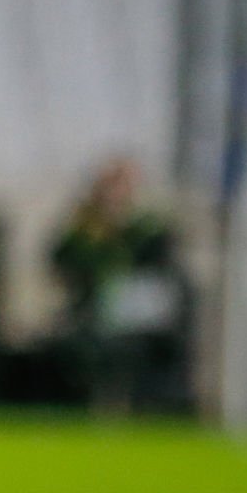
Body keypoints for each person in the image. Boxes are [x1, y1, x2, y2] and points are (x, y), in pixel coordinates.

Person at [51, 157, 188, 413]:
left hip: (139, 319)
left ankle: (140, 407)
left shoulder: (147, 229)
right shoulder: (85, 230)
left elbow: (160, 273)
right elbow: (62, 262)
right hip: (92, 316)